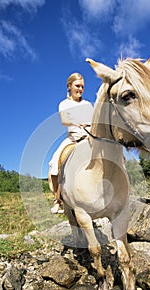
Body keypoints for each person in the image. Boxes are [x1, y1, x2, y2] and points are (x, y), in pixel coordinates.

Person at [49, 72, 93, 214]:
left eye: (82, 87)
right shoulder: (64, 104)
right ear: (69, 86)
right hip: (73, 137)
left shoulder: (87, 104)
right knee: (54, 164)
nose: (80, 89)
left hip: (89, 137)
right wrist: (77, 122)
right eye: (77, 86)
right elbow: (64, 120)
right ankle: (58, 200)